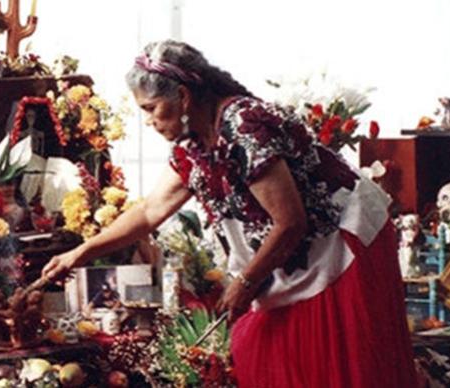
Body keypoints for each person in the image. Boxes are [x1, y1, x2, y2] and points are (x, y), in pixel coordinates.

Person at [38, 40, 417, 387]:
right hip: (295, 259)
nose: (149, 121)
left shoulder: (244, 126)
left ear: (183, 96)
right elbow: (150, 211)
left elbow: (290, 223)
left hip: (340, 249)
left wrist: (246, 283)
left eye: (151, 109)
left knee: (330, 368)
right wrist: (79, 253)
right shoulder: (193, 146)